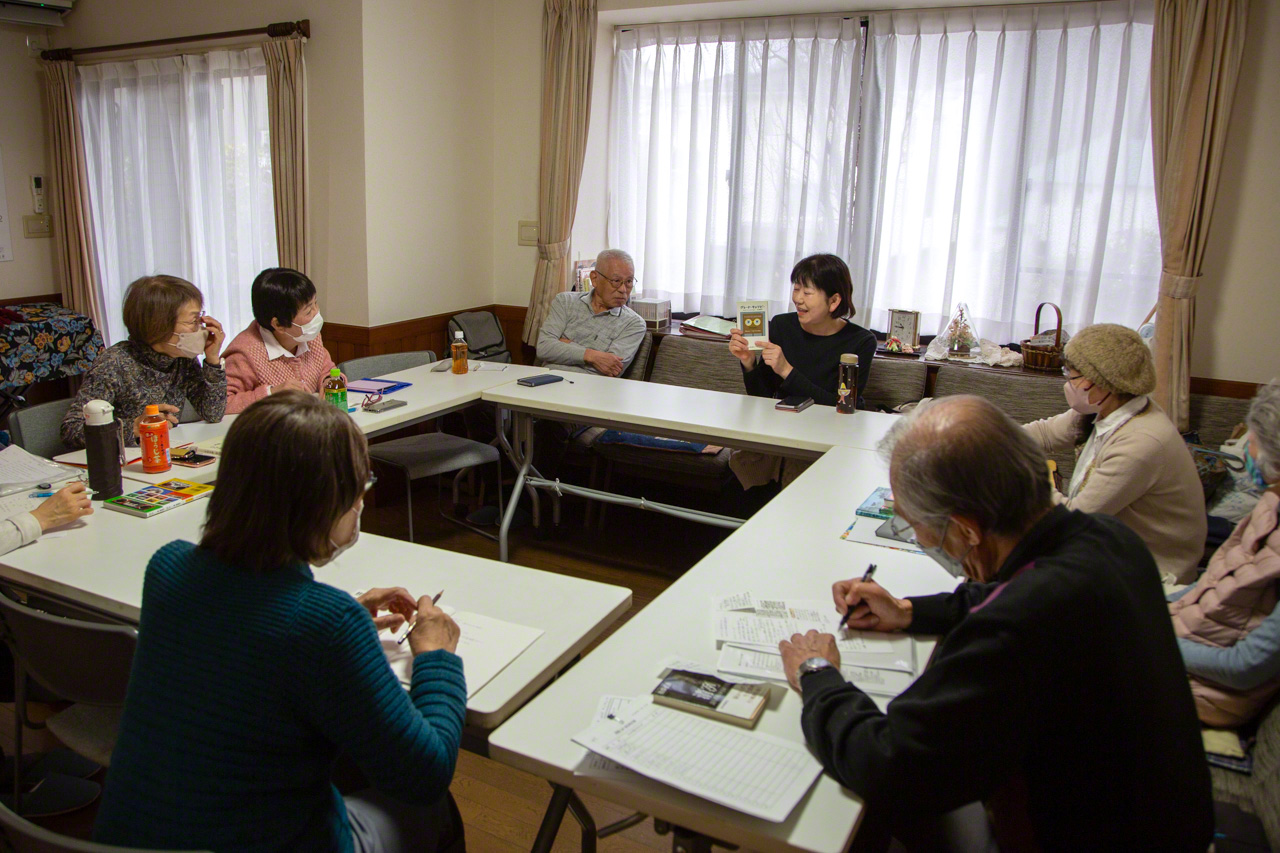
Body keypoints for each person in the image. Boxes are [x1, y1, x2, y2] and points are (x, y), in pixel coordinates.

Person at [779, 395, 1212, 852]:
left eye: (916, 526)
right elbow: (1018, 592)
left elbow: (891, 766)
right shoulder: (1111, 540)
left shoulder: (1013, 630)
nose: (922, 539)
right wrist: (909, 611)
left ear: (966, 531)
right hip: (1169, 821)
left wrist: (818, 676)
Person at [94, 392, 466, 853]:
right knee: (436, 809)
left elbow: (241, 631)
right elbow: (424, 775)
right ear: (324, 504)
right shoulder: (326, 626)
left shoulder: (168, 567)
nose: (361, 501)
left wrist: (339, 614)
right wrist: (436, 657)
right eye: (360, 487)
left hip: (130, 839)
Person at [1024, 323, 1205, 584]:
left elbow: (1074, 519)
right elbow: (1044, 433)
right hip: (1105, 548)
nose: (1068, 382)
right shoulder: (1107, 407)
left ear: (1100, 383)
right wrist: (986, 435)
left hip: (1148, 575)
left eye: (1071, 375)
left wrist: (1026, 476)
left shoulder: (1142, 442)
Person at [1169, 379, 1280, 728]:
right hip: (1185, 647)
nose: (1247, 445)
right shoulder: (1271, 504)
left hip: (1209, 695)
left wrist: (1151, 635)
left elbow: (1243, 668)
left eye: (1254, 437)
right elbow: (1212, 582)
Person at [725, 254, 877, 504]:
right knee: (738, 479)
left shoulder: (860, 342)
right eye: (796, 289)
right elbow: (762, 397)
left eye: (807, 291)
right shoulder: (782, 326)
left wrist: (787, 370)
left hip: (823, 441)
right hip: (776, 435)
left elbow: (842, 406)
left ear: (834, 300)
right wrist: (749, 362)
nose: (797, 299)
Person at [60, 275, 227, 448]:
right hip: (126, 461)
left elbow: (213, 412)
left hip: (165, 451)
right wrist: (131, 427)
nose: (201, 327)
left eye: (200, 318)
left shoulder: (181, 358)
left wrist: (213, 360)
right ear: (159, 325)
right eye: (193, 321)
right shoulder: (114, 362)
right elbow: (71, 430)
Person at [222, 267, 338, 413]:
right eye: (308, 311)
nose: (316, 313)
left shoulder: (308, 336)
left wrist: (329, 382)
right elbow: (223, 402)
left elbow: (328, 370)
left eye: (315, 303)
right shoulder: (245, 352)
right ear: (278, 325)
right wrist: (271, 393)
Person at [535, 248, 646, 376]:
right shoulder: (565, 301)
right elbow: (544, 348)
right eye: (616, 281)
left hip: (591, 388)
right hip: (546, 382)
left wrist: (565, 344)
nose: (623, 289)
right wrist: (591, 355)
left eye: (629, 282)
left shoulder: (634, 323)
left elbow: (612, 369)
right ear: (594, 279)